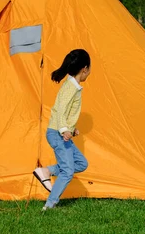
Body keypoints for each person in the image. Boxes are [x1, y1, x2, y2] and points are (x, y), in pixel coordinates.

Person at [33, 49, 91, 211]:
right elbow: (59, 109)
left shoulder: (72, 86)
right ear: (85, 69)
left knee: (81, 163)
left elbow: (66, 112)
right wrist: (64, 129)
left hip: (61, 132)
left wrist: (72, 128)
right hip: (57, 133)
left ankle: (46, 171)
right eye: (90, 69)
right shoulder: (70, 87)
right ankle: (50, 205)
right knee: (67, 172)